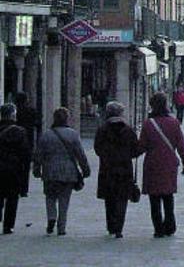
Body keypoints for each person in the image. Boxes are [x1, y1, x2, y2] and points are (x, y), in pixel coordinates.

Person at [139, 93, 184, 238]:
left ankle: (158, 229)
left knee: (154, 198)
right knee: (168, 196)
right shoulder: (174, 123)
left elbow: (141, 146)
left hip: (152, 165)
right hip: (169, 164)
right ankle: (170, 225)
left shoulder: (148, 124)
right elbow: (181, 145)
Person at [33, 107, 91, 236]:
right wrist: (85, 169)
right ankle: (61, 227)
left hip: (50, 172)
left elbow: (38, 155)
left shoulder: (46, 134)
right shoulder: (73, 134)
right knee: (64, 200)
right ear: (67, 119)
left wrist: (37, 169)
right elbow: (80, 154)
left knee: (50, 196)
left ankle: (51, 217)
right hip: (68, 172)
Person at [94, 102, 139, 238]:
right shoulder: (128, 130)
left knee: (110, 198)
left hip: (107, 168)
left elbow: (97, 148)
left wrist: (106, 155)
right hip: (124, 168)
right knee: (122, 198)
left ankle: (111, 226)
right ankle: (119, 227)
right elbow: (135, 150)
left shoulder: (102, 129)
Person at [0, 103, 31, 235]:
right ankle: (8, 225)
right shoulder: (20, 132)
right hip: (14, 169)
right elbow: (25, 155)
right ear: (13, 115)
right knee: (12, 197)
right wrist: (25, 184)